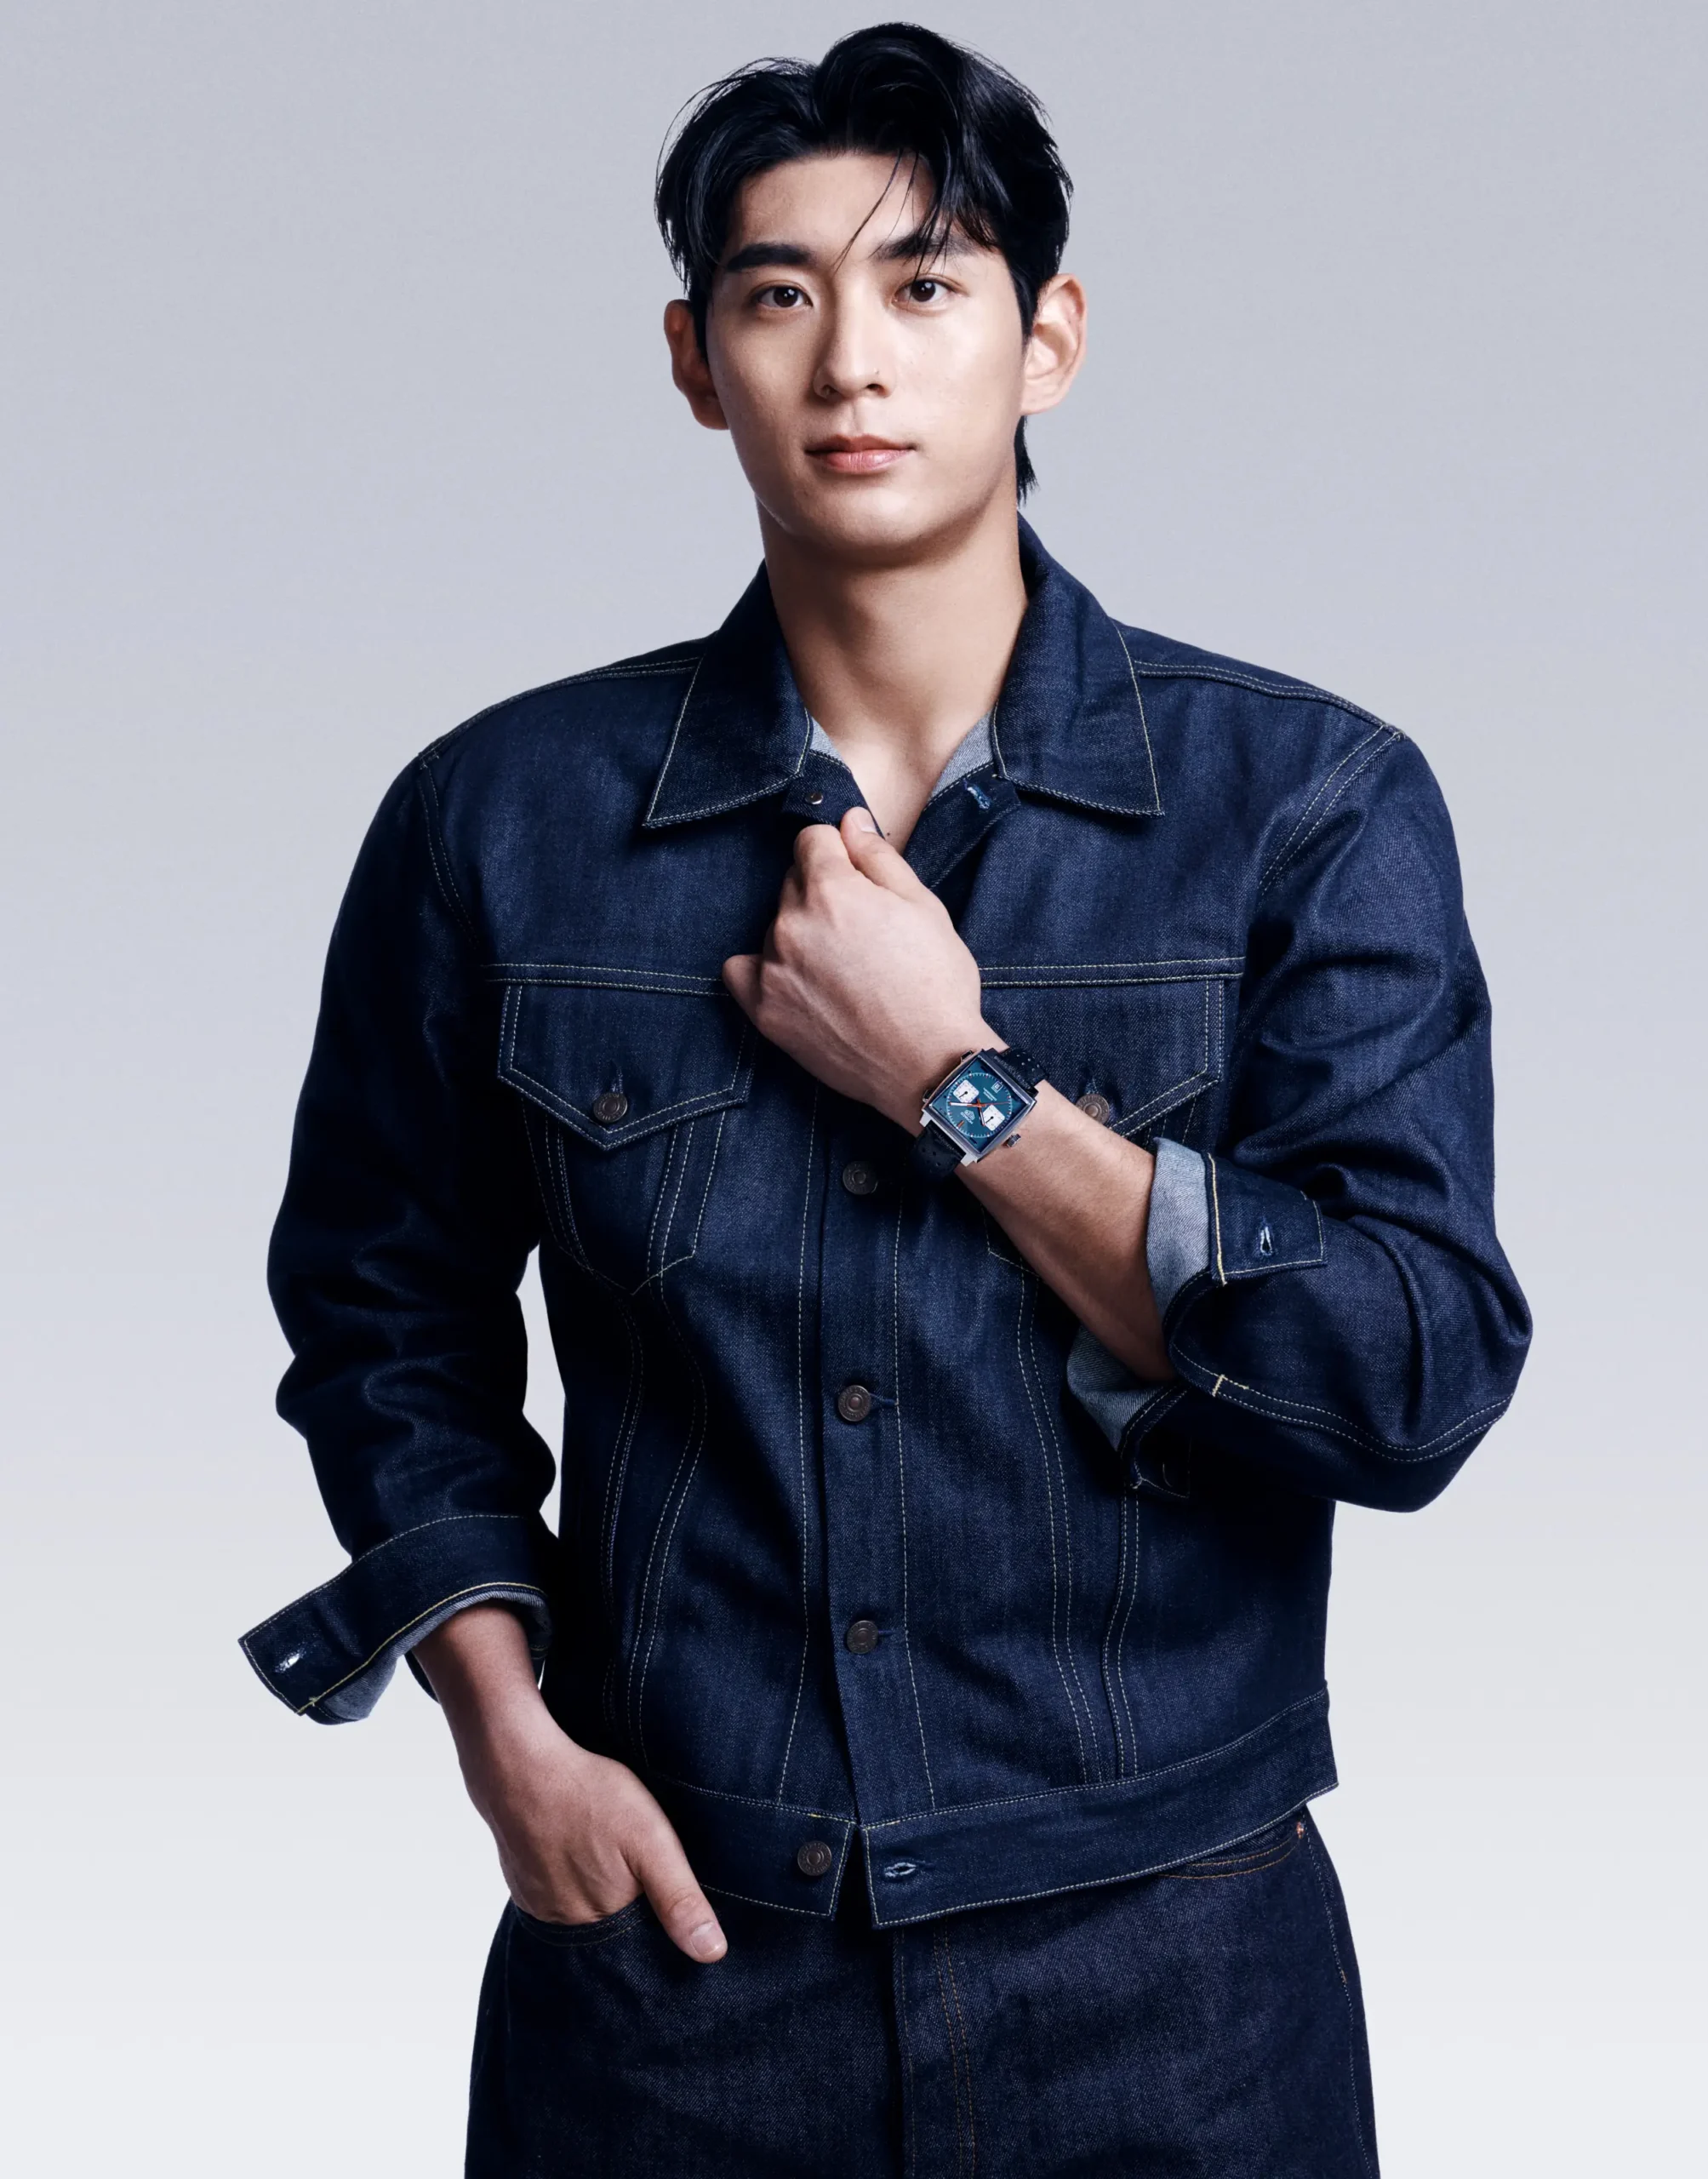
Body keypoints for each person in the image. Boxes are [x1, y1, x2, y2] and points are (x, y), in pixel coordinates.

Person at [240, 23, 1531, 2175]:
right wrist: (503, 1731)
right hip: (674, 1967)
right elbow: (385, 1317)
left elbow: (1407, 1376)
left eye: (926, 285)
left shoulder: (1302, 805)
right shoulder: (500, 819)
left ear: (1049, 340)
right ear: (693, 359)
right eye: (779, 293)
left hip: (1173, 1981)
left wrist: (958, 1080)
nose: (852, 360)